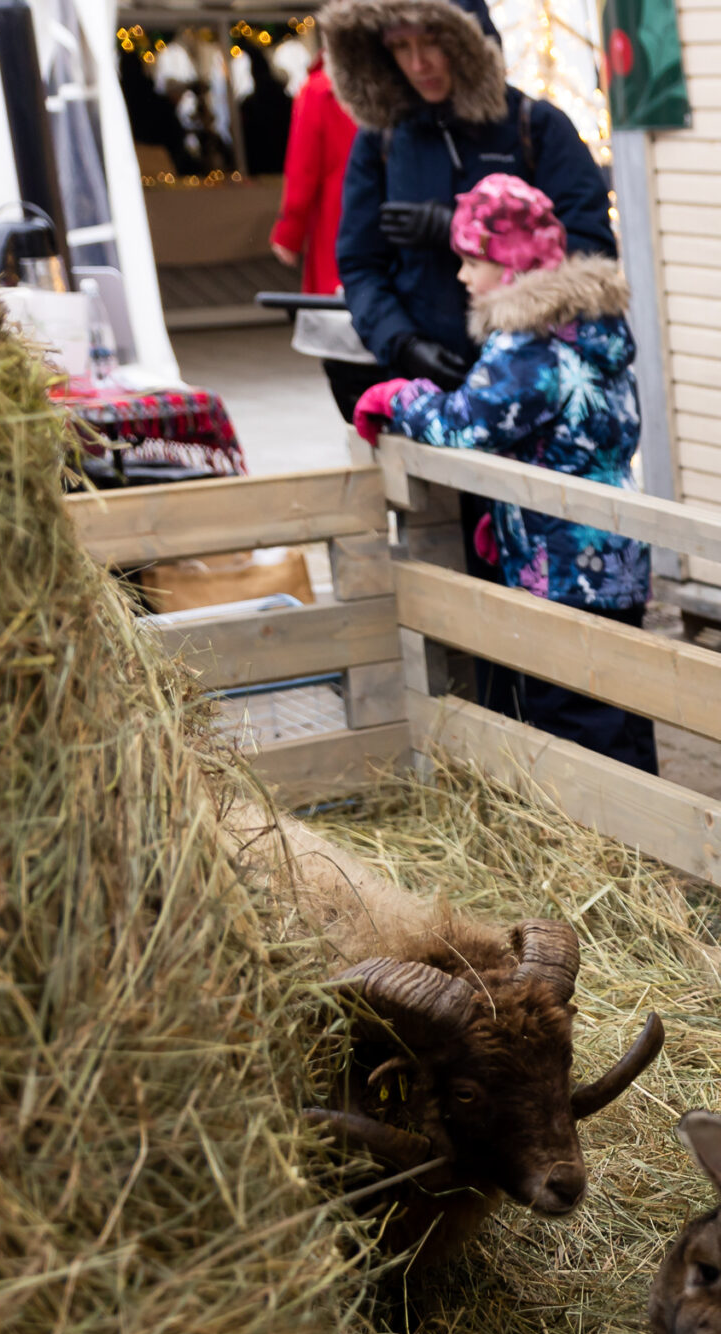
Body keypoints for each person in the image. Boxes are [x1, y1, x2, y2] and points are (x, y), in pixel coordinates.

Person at [352, 174, 657, 774]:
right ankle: (644, 847)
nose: (463, 277)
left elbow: (464, 424)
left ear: (510, 264)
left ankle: (602, 854)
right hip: (617, 550)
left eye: (472, 260)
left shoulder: (527, 344)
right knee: (623, 704)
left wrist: (399, 396)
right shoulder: (593, 329)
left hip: (563, 563)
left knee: (570, 716)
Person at [319, 0, 613, 400]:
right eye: (401, 47)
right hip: (423, 385)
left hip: (532, 381)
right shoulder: (381, 141)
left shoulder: (537, 127)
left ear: (469, 41)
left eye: (433, 42)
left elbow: (588, 248)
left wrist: (462, 232)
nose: (419, 64)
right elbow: (360, 264)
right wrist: (401, 343)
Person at [269, 47, 375, 412]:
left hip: (339, 223)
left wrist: (290, 230)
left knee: (341, 334)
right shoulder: (390, 80)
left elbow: (303, 168)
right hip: (381, 219)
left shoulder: (318, 90)